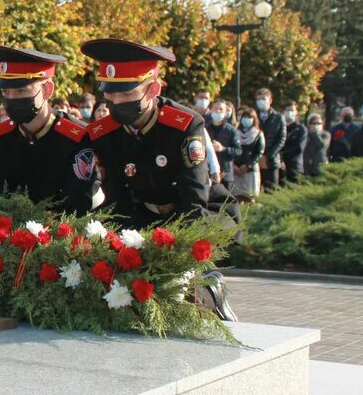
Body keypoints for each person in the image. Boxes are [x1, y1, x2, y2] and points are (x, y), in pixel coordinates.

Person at [81, 38, 237, 322]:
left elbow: (194, 196)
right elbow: (116, 197)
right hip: (145, 214)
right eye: (110, 96)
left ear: (153, 89)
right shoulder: (105, 133)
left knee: (178, 286)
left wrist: (181, 258)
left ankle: (209, 289)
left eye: (126, 95)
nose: (116, 104)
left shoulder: (184, 125)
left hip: (197, 212)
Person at [0, 45, 99, 213]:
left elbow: (80, 201)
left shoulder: (76, 138)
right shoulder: (1, 137)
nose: (11, 100)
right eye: (6, 92)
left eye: (21, 90)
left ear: (47, 90)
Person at [205, 100, 242, 190]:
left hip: (226, 174)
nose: (218, 111)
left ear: (226, 112)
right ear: (210, 110)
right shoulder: (205, 129)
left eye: (221, 109)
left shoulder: (232, 131)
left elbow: (238, 151)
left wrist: (223, 149)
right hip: (207, 173)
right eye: (215, 109)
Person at [254, 88, 285, 192]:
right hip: (255, 160)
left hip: (272, 161)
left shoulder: (278, 117)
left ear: (270, 100)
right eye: (258, 99)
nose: (261, 102)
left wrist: (267, 156)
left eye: (263, 99)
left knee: (271, 191)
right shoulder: (253, 116)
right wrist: (258, 156)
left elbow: (281, 139)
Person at [231, 105, 264, 202]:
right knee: (237, 196)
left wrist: (248, 165)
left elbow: (259, 152)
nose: (246, 120)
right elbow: (231, 149)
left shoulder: (258, 134)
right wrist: (234, 165)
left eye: (250, 118)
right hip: (236, 169)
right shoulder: (235, 132)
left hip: (250, 169)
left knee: (250, 197)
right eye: (244, 117)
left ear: (254, 119)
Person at [280, 101, 307, 186]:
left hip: (295, 166)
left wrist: (282, 155)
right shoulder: (280, 127)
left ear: (296, 112)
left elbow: (299, 148)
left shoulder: (301, 129)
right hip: (279, 166)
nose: (289, 112)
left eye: (292, 110)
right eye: (287, 110)